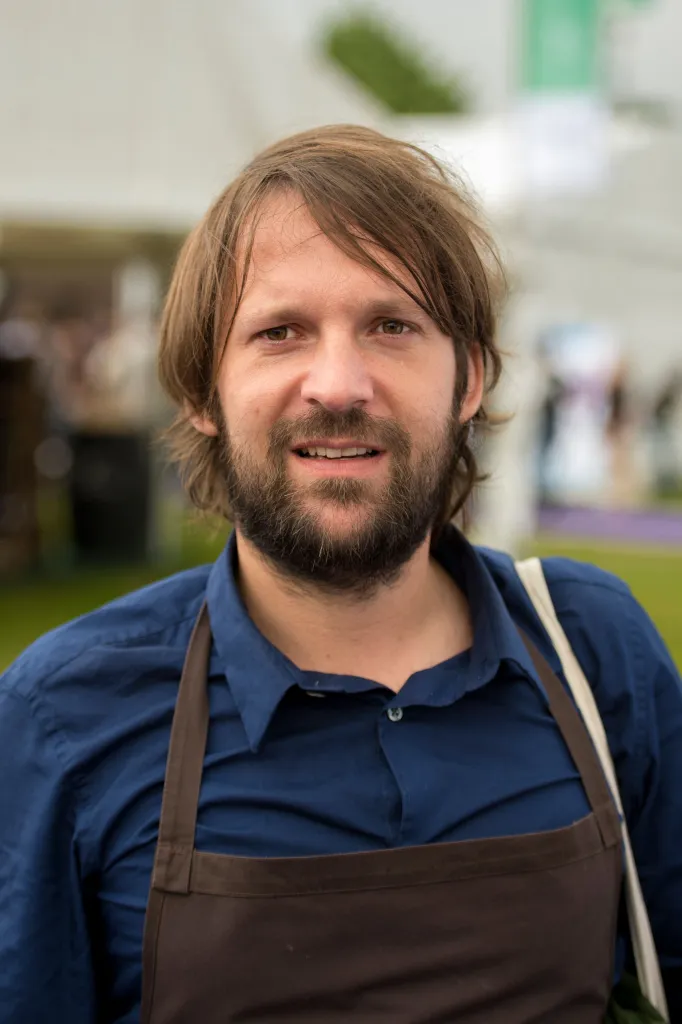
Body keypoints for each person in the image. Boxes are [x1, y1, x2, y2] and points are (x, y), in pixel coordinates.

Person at [0, 125, 680, 1024]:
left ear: (470, 377)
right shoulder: (65, 713)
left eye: (391, 325)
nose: (338, 383)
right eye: (280, 332)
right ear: (202, 391)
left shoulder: (591, 650)